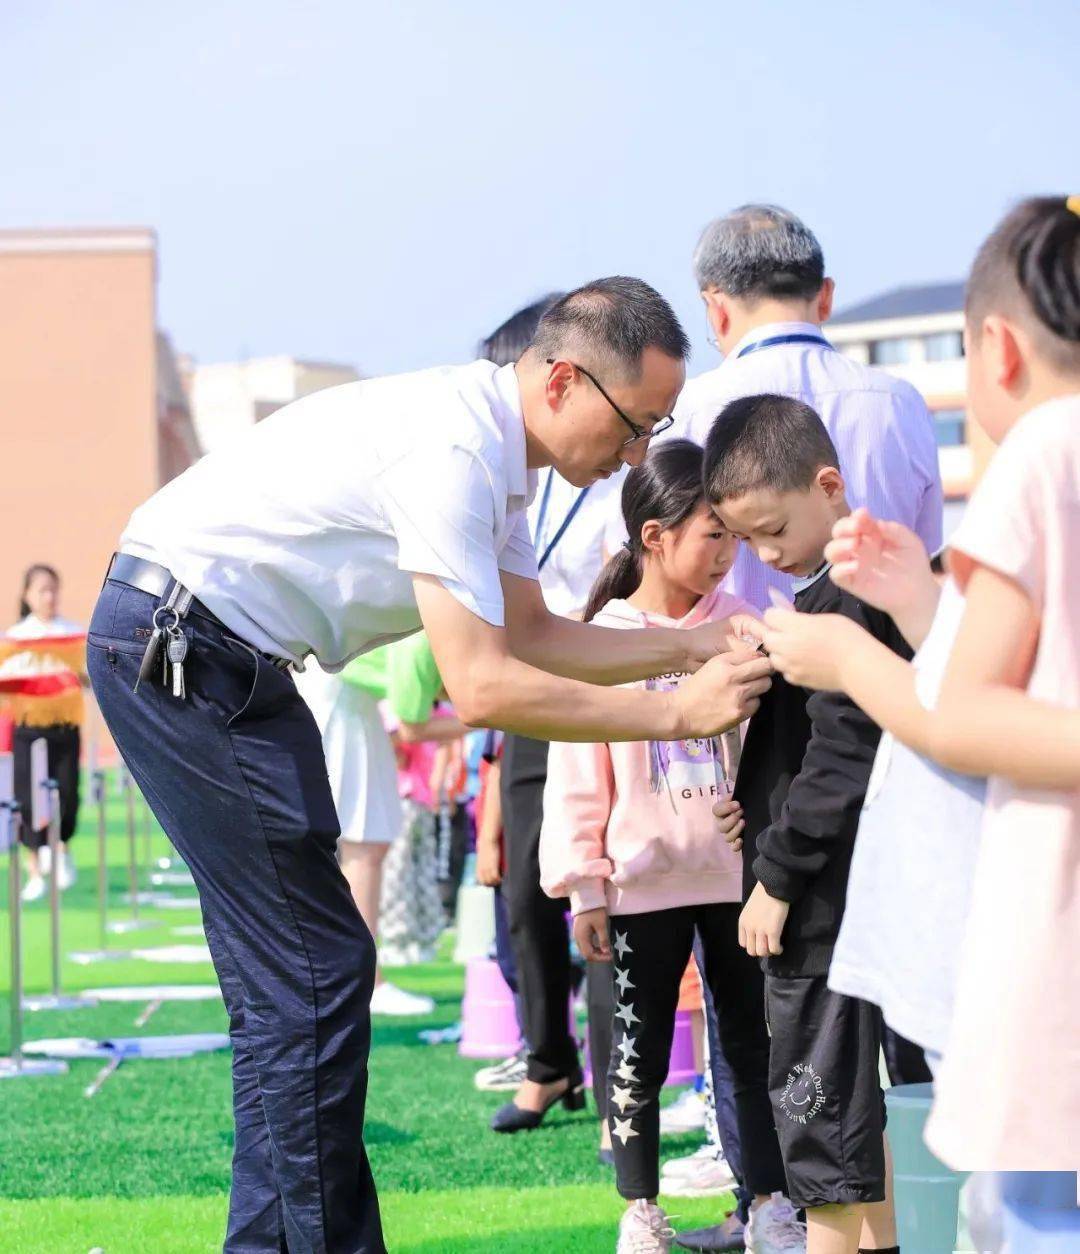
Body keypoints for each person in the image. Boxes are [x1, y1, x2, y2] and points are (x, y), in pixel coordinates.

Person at [86, 276, 773, 1253]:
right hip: (182, 651)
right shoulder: (456, 449)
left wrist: (690, 648)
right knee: (315, 977)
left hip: (221, 658)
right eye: (635, 426)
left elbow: (535, 633)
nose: (634, 457)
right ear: (565, 380)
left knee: (295, 988)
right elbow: (486, 686)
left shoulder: (501, 461)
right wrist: (679, 707)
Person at [760, 195, 1080, 1240]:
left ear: (994, 350)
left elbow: (974, 717)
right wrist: (923, 608)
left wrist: (852, 655)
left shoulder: (1044, 453)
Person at [541, 441, 797, 1254]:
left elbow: (773, 756)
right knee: (636, 1054)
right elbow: (578, 770)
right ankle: (641, 1209)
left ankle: (768, 1204)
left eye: (733, 537)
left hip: (735, 883)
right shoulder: (605, 641)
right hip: (638, 883)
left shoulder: (742, 631)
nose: (729, 554)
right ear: (656, 537)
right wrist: (584, 883)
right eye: (712, 535)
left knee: (750, 1049)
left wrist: (759, 825)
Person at [706, 394, 910, 1254]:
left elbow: (843, 755)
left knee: (818, 1130)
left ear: (828, 485)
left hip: (820, 911)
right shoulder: (866, 591)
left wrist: (776, 876)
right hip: (850, 906)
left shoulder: (846, 607)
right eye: (745, 539)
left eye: (770, 530)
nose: (763, 554)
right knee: (860, 1130)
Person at [472, 295, 630, 1138]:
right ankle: (547, 1062)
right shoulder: (498, 483)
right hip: (533, 693)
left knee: (600, 882)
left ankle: (617, 1088)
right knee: (529, 890)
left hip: (606, 683)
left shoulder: (615, 466)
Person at [676, 203, 942, 611]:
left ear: (716, 307)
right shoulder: (900, 403)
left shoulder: (688, 410)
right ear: (826, 296)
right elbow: (927, 561)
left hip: (743, 667)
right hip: (889, 662)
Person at [294, 646, 436, 1016]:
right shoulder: (425, 632)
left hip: (336, 688)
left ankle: (347, 976)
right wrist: (485, 720)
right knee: (364, 845)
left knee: (359, 844)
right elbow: (412, 721)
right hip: (339, 694)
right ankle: (366, 981)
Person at [0, 565, 85, 901]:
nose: (48, 596)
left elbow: (85, 679)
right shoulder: (15, 638)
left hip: (64, 729)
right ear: (27, 595)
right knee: (28, 799)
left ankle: (61, 852)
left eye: (53, 589)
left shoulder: (73, 634)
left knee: (66, 792)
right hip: (27, 730)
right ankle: (34, 869)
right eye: (41, 590)